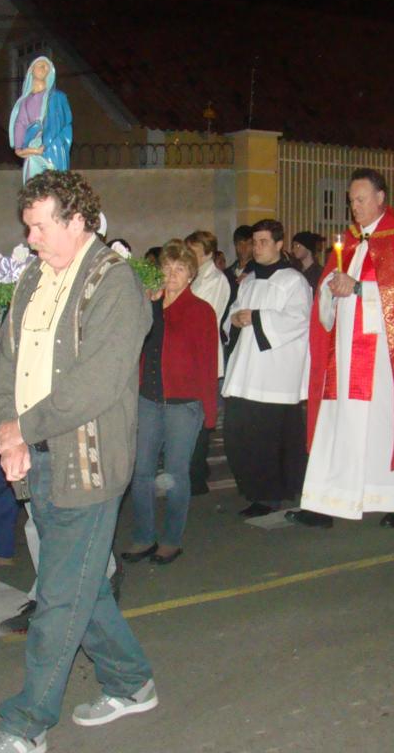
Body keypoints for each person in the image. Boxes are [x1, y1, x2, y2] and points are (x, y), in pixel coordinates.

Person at [0, 171, 155, 753]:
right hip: (36, 458)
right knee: (81, 586)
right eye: (27, 227)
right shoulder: (33, 277)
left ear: (77, 222)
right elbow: (7, 361)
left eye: (39, 227)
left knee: (57, 597)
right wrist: (9, 435)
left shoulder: (115, 282)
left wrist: (20, 430)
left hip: (88, 465)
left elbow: (95, 384)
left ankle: (26, 725)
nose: (29, 239)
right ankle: (131, 681)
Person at [297, 170, 394, 529]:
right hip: (343, 354)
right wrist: (330, 289)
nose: (355, 206)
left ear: (381, 198)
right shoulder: (349, 241)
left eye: (361, 199)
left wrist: (359, 288)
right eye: (351, 200)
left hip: (383, 360)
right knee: (339, 422)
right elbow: (327, 296)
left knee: (383, 424)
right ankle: (328, 500)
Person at [124, 242, 217, 565]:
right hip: (148, 399)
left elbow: (208, 363)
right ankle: (144, 536)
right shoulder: (147, 304)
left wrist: (208, 412)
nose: (172, 274)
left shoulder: (200, 310)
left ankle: (172, 540)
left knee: (176, 474)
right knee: (141, 473)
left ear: (191, 275)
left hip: (183, 404)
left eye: (180, 269)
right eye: (167, 267)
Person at [222, 219, 312, 519]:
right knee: (240, 435)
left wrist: (257, 318)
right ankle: (254, 489)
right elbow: (232, 314)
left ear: (278, 244)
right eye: (254, 242)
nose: (256, 248)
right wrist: (234, 319)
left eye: (263, 242)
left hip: (274, 376)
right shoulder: (248, 281)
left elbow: (299, 319)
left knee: (269, 440)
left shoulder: (293, 281)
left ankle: (270, 495)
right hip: (245, 372)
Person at [184, 230, 231, 495]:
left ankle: (197, 475)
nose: (190, 254)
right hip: (187, 355)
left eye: (195, 250)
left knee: (200, 418)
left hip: (203, 355)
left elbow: (203, 314)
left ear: (208, 252)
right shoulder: (194, 276)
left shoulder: (216, 280)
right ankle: (192, 470)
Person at [8, 56, 72, 183]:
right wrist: (19, 147)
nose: (44, 68)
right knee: (32, 183)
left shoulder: (56, 97)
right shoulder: (25, 101)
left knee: (53, 184)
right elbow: (20, 123)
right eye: (40, 65)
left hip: (51, 149)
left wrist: (45, 143)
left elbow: (59, 122)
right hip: (32, 147)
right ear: (31, 70)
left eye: (47, 67)